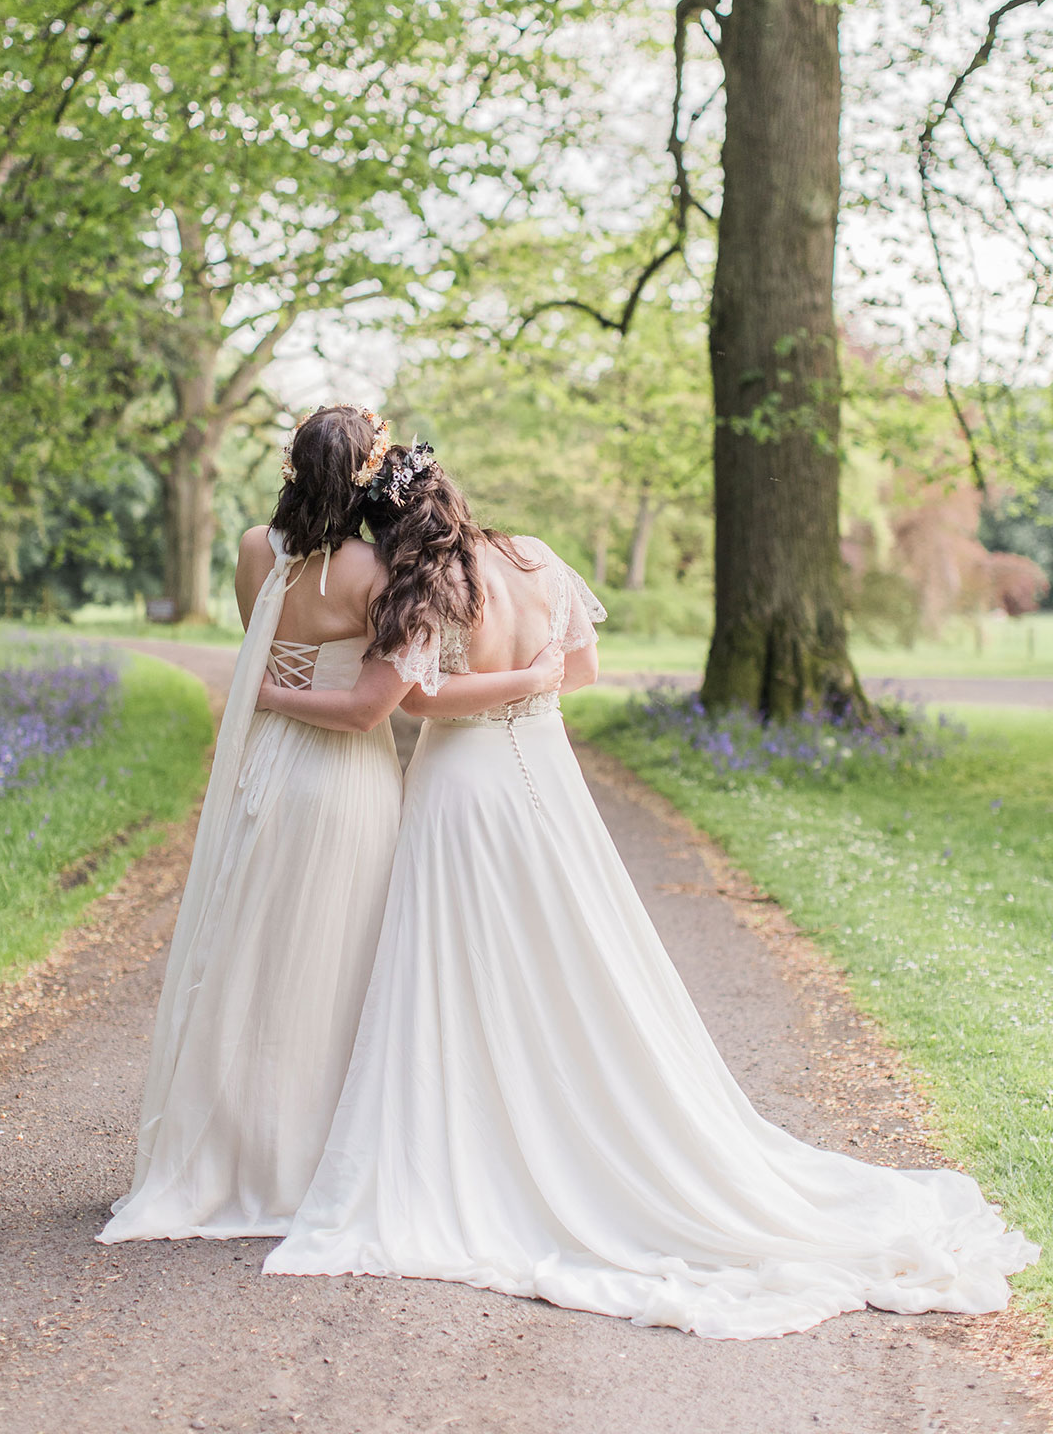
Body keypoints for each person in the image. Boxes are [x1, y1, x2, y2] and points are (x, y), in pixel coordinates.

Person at [259, 441, 1038, 1340]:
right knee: (573, 951)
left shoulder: (422, 584)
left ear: (391, 525)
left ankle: (489, 1129)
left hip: (463, 788)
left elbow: (419, 705)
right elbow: (582, 671)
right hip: (543, 779)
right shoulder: (535, 558)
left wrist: (494, 686)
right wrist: (535, 685)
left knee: (462, 960)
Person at [98, 407, 560, 1245]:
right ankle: (307, 1163)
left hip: (265, 765)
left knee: (246, 955)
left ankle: (225, 1154)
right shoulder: (379, 574)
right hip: (346, 783)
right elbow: (365, 713)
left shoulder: (251, 548)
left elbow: (263, 647)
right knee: (334, 968)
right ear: (367, 479)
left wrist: (264, 699)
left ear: (292, 467)